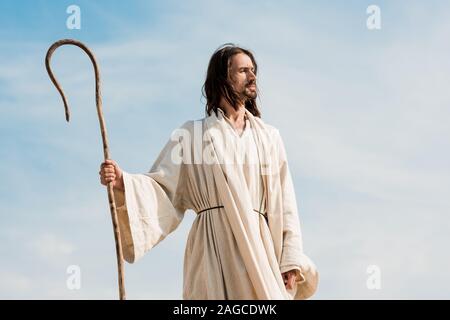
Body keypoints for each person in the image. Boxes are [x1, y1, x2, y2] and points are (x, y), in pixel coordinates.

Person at [99, 44, 318, 300]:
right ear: (223, 78)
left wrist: (290, 259)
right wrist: (123, 180)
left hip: (260, 249)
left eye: (253, 70)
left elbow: (286, 202)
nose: (252, 76)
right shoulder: (193, 135)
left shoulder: (270, 137)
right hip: (212, 248)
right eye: (243, 70)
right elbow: (162, 186)